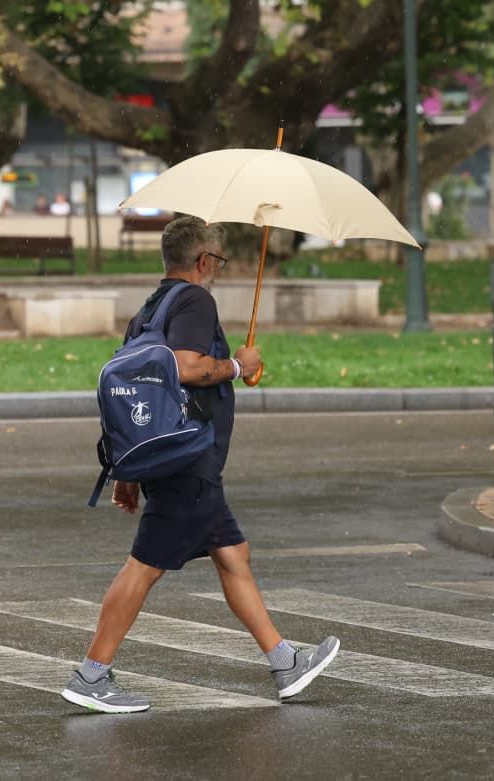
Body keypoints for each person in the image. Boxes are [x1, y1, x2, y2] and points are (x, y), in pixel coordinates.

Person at [61, 215, 340, 714]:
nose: (219, 270)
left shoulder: (150, 309)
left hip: (175, 458)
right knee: (144, 566)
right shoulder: (194, 301)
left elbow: (135, 392)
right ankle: (91, 675)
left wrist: (128, 471)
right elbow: (188, 367)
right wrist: (238, 366)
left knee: (232, 553)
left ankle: (285, 663)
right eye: (219, 261)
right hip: (187, 459)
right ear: (204, 260)